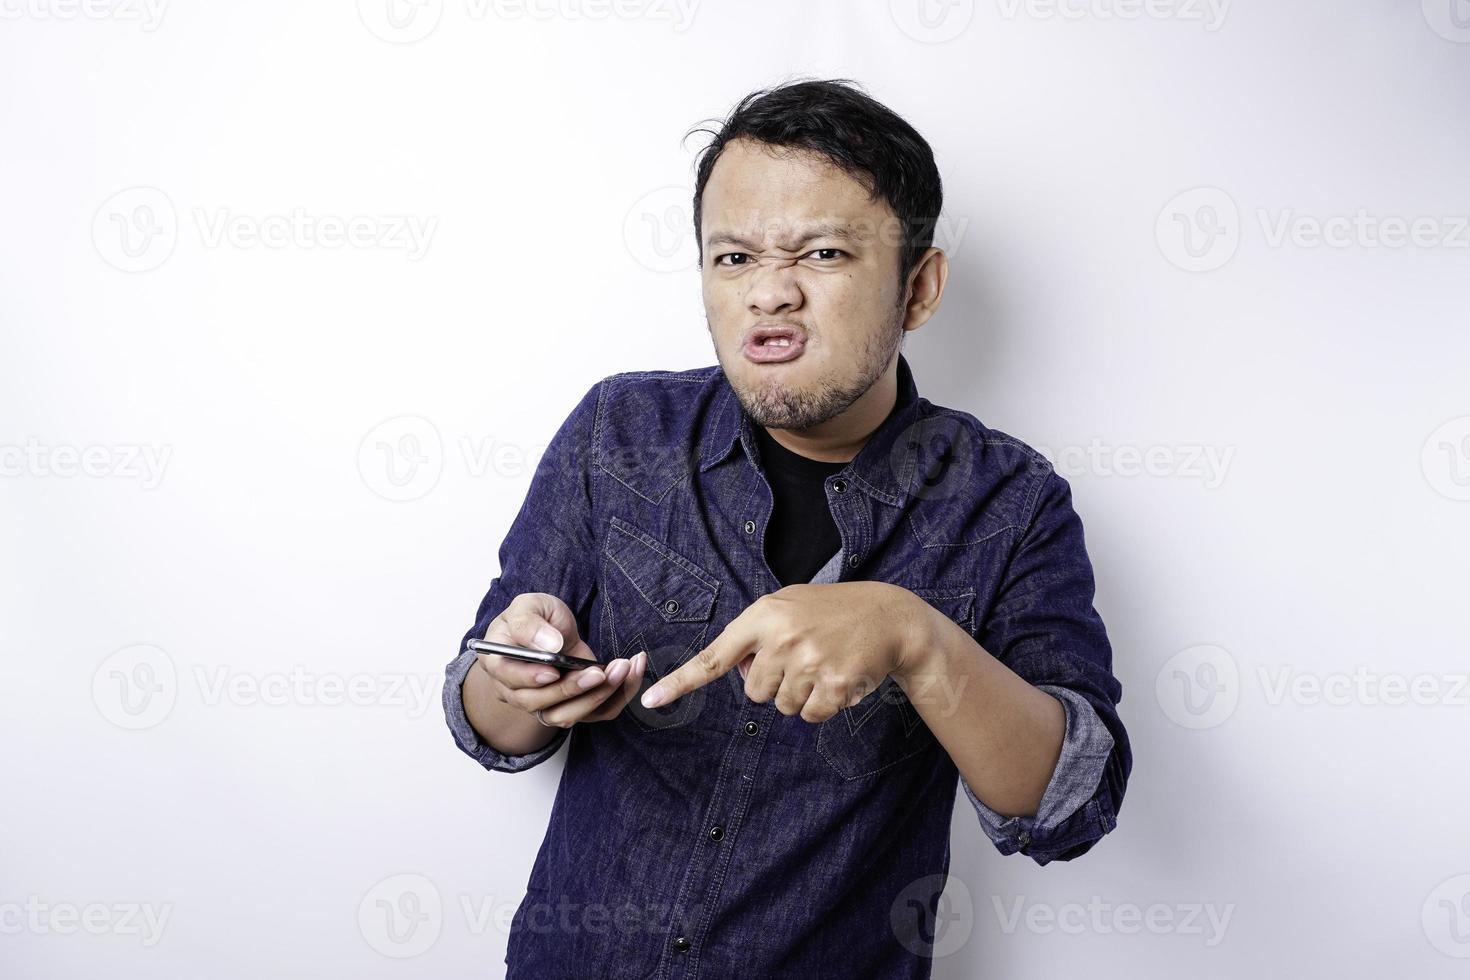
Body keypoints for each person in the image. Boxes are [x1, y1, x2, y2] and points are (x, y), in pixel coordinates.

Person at [441, 77, 1131, 979]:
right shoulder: (619, 432)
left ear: (918, 288)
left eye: (822, 255)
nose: (770, 295)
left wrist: (913, 638)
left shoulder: (1010, 502)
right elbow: (484, 714)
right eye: (733, 259)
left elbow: (1071, 803)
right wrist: (520, 678)